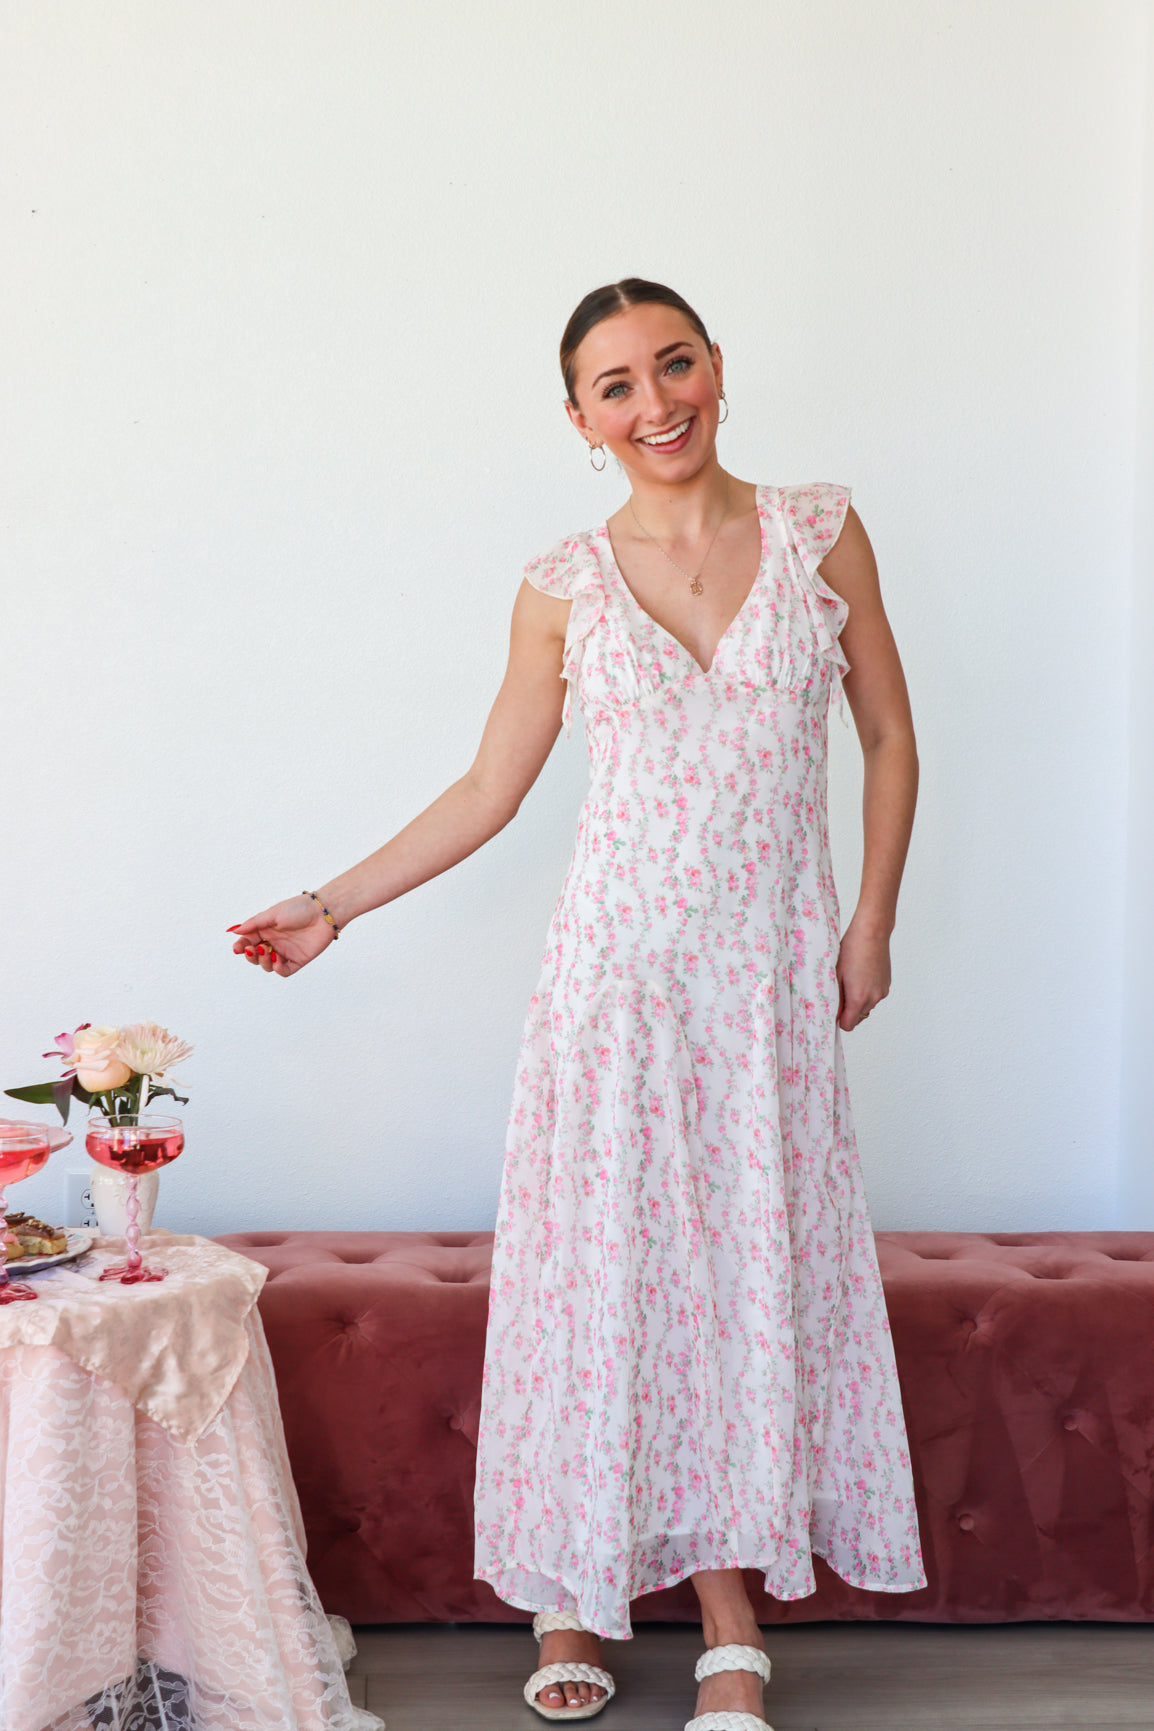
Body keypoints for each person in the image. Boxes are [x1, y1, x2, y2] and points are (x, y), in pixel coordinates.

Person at [229, 279, 926, 1731]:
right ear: (578, 419)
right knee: (600, 1282)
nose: (653, 401)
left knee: (742, 1280)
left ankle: (731, 1611)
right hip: (612, 987)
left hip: (763, 987)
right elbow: (492, 787)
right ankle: (567, 1590)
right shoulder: (560, 582)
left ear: (718, 369)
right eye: (615, 384)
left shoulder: (815, 530)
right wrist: (331, 903)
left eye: (673, 365)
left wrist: (869, 922)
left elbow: (885, 731)